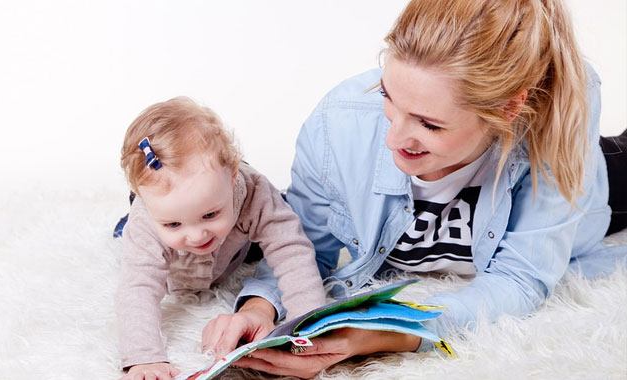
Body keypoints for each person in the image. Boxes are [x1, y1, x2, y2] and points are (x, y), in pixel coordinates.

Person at [199, 0, 627, 377]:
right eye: (388, 97)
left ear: (510, 108)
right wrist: (259, 306)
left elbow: (521, 279)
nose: (393, 139)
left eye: (429, 124)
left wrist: (390, 334)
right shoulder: (338, 125)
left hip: (606, 187)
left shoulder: (553, 122)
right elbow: (301, 243)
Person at [115, 97, 327, 380]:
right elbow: (137, 286)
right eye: (173, 223)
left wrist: (311, 322)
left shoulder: (253, 191)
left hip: (236, 247)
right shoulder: (146, 221)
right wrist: (144, 357)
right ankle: (127, 223)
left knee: (284, 218)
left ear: (233, 174)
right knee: (127, 239)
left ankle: (240, 223)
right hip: (168, 257)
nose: (196, 235)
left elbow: (291, 250)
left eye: (209, 214)